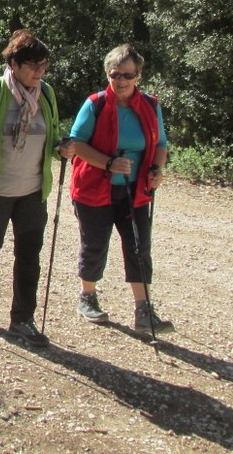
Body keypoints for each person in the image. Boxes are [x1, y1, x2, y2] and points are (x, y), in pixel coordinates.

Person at [0, 29, 74, 348]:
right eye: (33, 65)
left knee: (29, 255)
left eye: (44, 65)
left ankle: (22, 321)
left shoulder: (45, 94)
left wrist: (60, 149)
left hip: (33, 191)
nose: (40, 72)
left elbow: (50, 138)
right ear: (15, 64)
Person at [68, 44, 172, 335]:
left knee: (139, 247)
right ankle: (87, 297)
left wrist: (157, 170)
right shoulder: (96, 104)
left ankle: (143, 310)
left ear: (138, 75)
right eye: (116, 74)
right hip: (93, 188)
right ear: (107, 73)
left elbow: (161, 144)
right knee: (95, 244)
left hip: (135, 190)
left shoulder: (151, 105)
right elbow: (76, 144)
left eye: (129, 74)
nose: (122, 80)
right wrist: (109, 163)